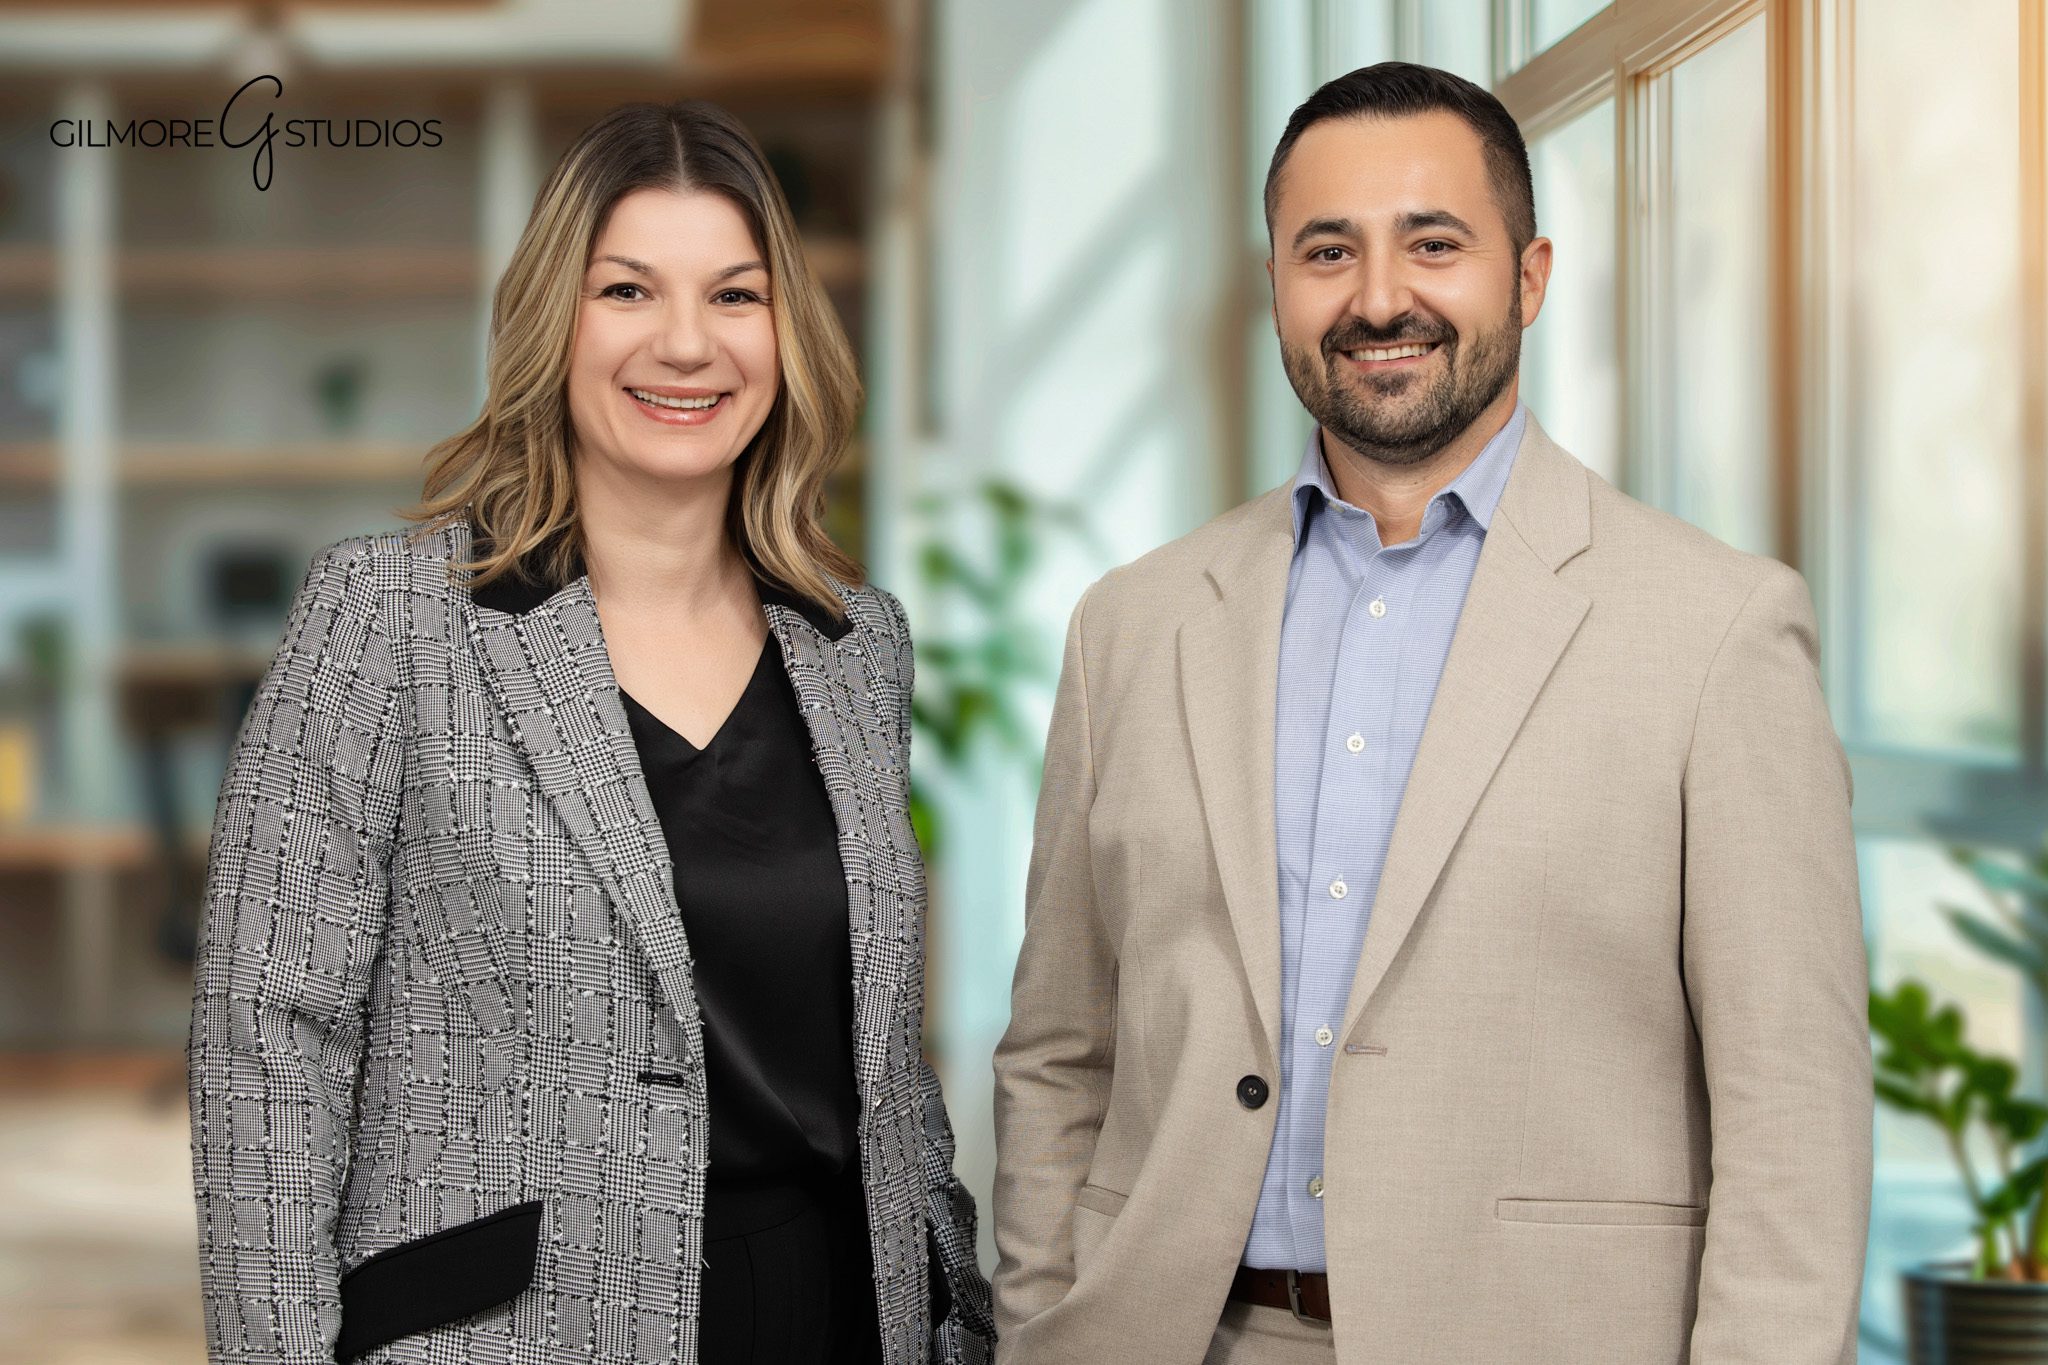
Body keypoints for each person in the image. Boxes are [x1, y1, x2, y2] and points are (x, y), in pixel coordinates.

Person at [991, 61, 1869, 1365]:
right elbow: (1062, 1048)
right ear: (1274, 283)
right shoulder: (1134, 623)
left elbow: (1791, 1103)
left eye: (1435, 244)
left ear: (1529, 276)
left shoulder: (1719, 630)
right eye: (1327, 250)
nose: (1379, 297)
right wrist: (1038, 1321)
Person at [187, 99, 994, 1365]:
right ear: (552, 322)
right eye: (627, 291)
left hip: (833, 1313)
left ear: (785, 333)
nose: (687, 344)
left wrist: (955, 1310)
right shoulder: (392, 615)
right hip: (507, 1333)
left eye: (734, 296)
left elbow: (876, 1051)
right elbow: (267, 1041)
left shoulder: (855, 647)